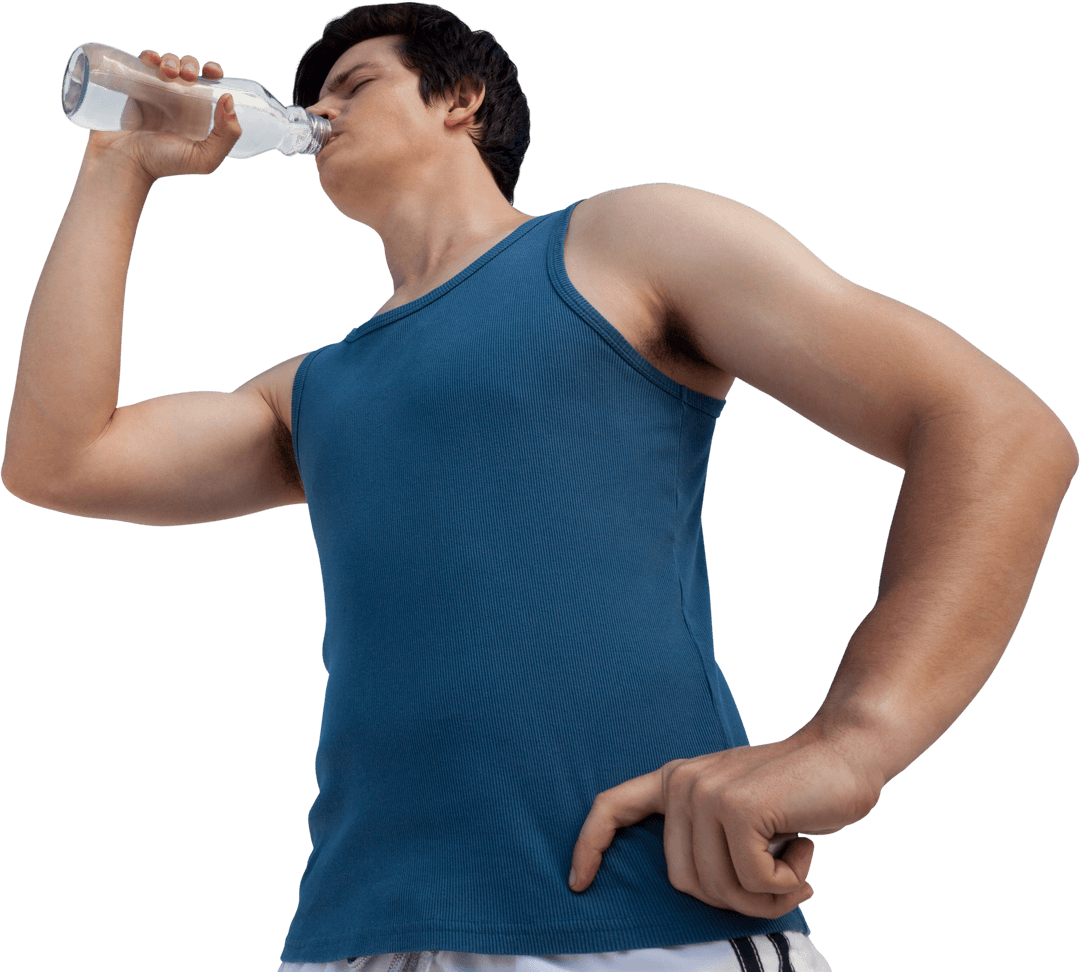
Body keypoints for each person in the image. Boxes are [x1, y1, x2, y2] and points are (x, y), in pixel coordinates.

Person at [3, 3, 1075, 971]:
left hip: (640, 918)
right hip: (356, 940)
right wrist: (120, 168)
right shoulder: (311, 390)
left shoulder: (621, 243)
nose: (315, 113)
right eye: (311, 99)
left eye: (354, 84)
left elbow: (1000, 428)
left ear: (459, 100)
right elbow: (58, 460)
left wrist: (855, 738)